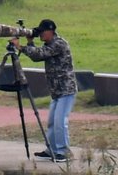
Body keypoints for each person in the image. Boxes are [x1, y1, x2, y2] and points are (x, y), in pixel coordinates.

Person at [16, 19, 76, 162]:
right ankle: (53, 149)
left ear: (50, 31)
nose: (41, 35)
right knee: (51, 122)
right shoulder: (49, 44)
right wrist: (30, 42)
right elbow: (37, 57)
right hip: (56, 90)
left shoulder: (59, 44)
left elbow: (39, 54)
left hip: (66, 89)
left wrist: (21, 47)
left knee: (60, 121)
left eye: (42, 32)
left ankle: (64, 151)